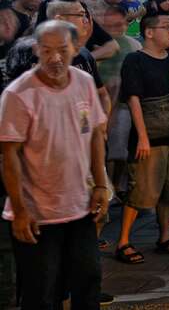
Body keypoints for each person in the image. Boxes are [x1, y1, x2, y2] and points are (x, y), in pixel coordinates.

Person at [0, 21, 108, 309]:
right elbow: (9, 156)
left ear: (76, 49)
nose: (55, 58)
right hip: (38, 214)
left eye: (62, 50)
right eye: (47, 51)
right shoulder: (18, 94)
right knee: (42, 292)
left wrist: (100, 184)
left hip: (79, 206)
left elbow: (95, 134)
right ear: (37, 50)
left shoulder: (84, 83)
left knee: (89, 280)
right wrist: (21, 211)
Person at [116, 13, 169, 265]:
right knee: (139, 190)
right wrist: (141, 136)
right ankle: (123, 241)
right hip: (149, 136)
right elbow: (133, 99)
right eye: (165, 27)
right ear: (149, 32)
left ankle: (165, 237)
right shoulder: (135, 60)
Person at [97, 6, 142, 202]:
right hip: (100, 104)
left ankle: (118, 185)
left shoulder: (134, 45)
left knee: (120, 150)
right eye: (109, 25)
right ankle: (108, 185)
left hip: (125, 104)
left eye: (118, 24)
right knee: (105, 150)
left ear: (125, 23)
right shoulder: (98, 44)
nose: (114, 28)